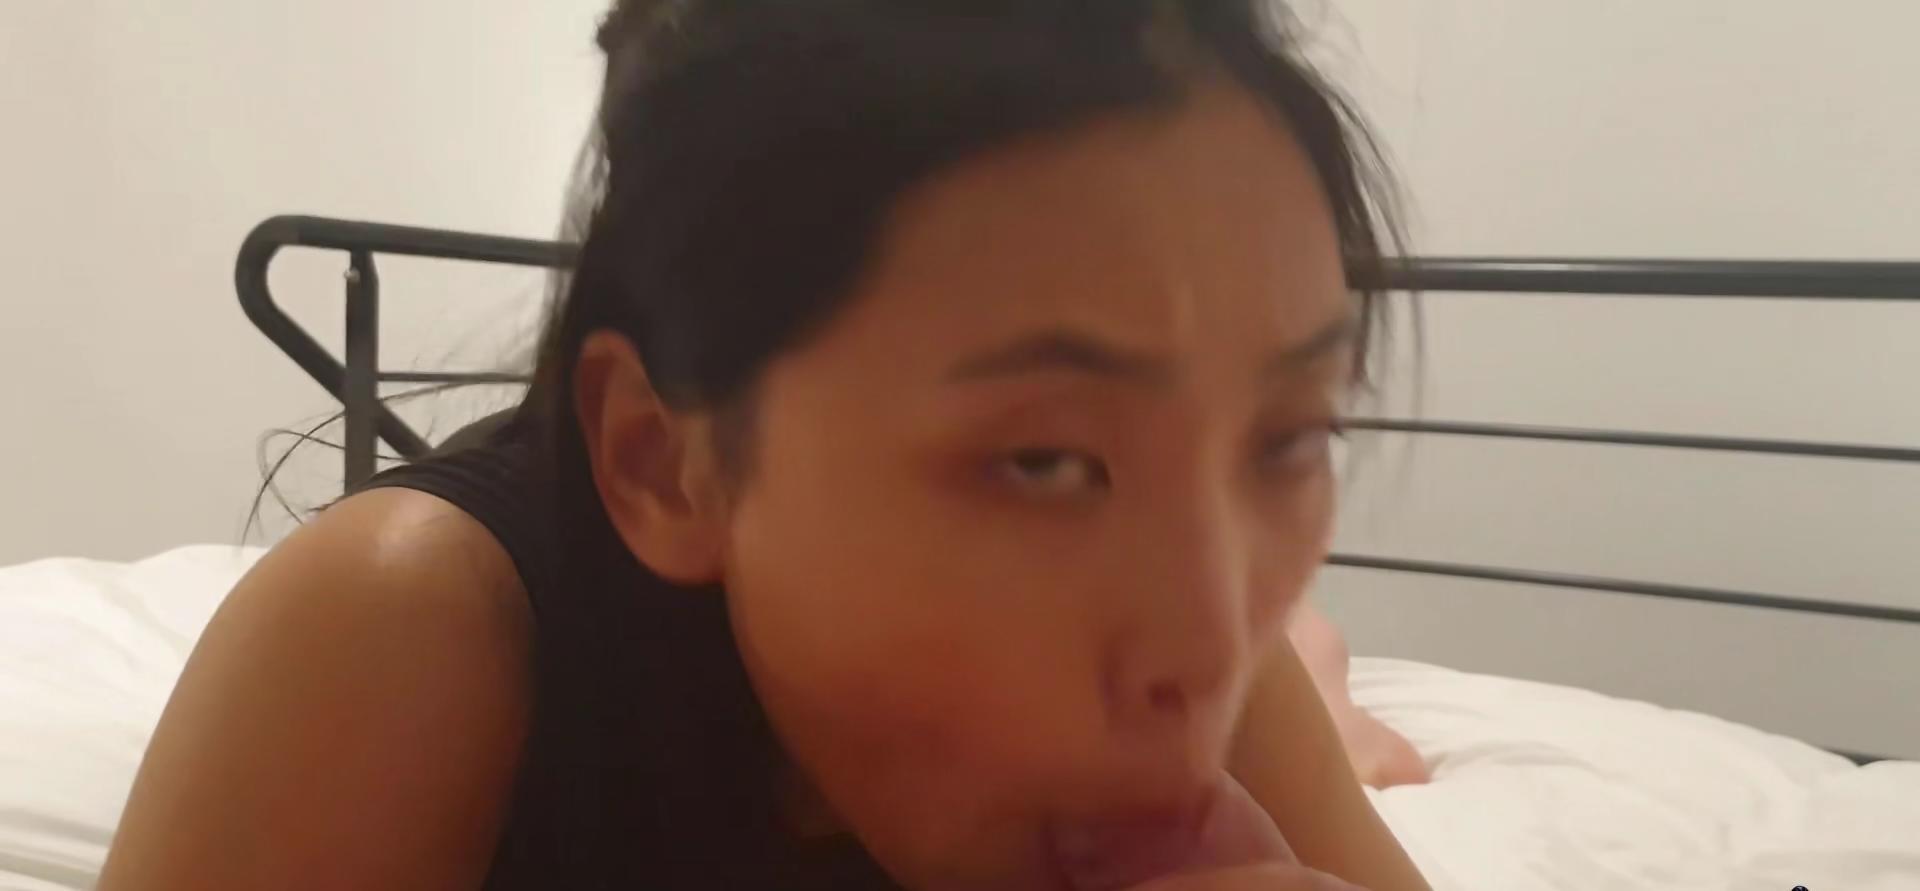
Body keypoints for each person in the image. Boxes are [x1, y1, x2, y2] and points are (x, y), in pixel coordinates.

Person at [99, 2, 1432, 889]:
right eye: (1043, 463)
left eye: (1289, 438)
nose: (1208, 638)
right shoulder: (409, 624)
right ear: (663, 461)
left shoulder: (1197, 656)